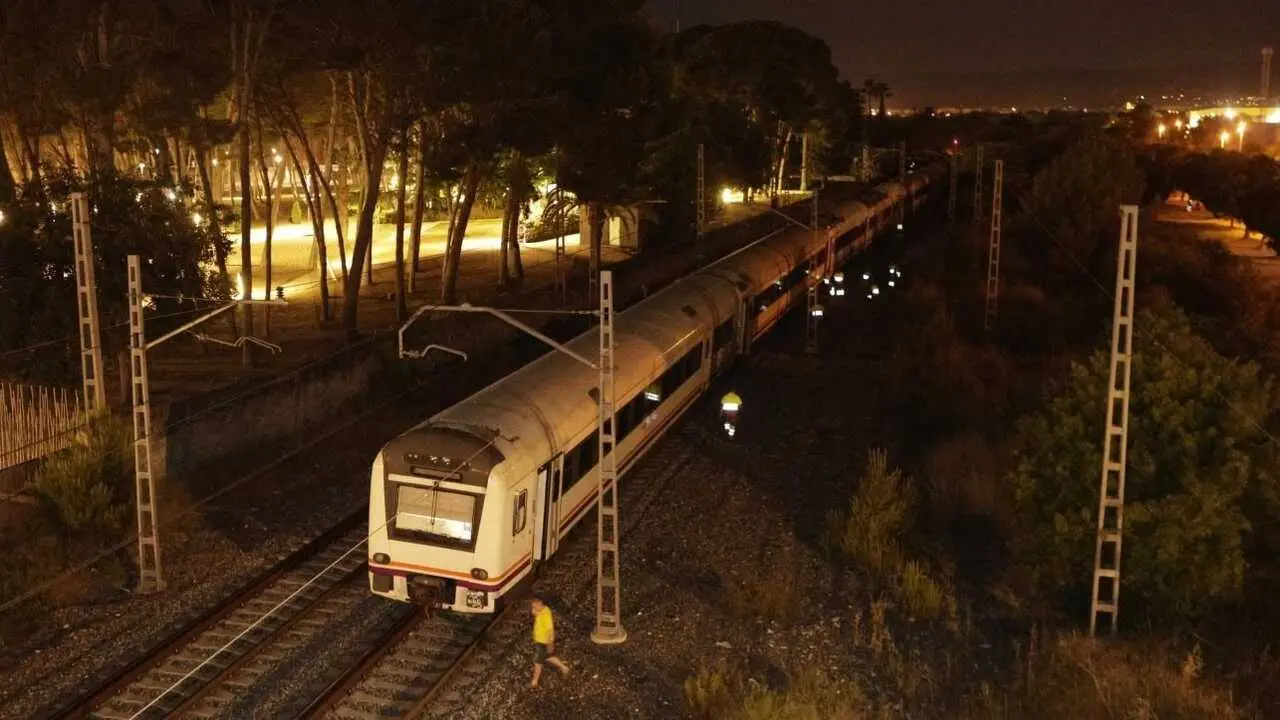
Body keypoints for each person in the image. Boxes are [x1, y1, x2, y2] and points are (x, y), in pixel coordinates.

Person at [530, 596, 570, 688]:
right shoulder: (541, 611)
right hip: (539, 640)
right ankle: (565, 668)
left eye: (535, 607)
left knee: (537, 662)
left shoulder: (545, 615)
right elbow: (536, 615)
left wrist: (550, 642)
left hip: (543, 642)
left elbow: (550, 630)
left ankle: (534, 681)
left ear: (540, 605)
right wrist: (535, 612)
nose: (533, 609)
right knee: (548, 657)